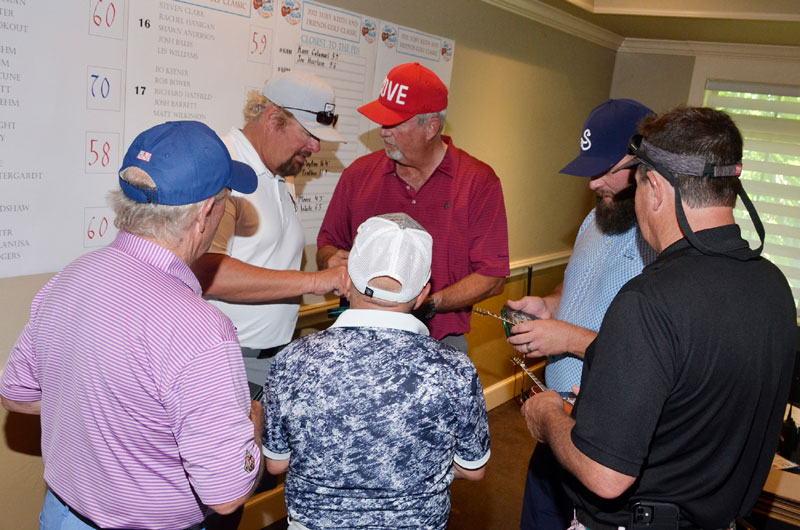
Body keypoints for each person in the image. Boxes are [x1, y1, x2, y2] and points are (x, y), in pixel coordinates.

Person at [522, 106, 796, 530]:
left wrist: (548, 417)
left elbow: (606, 476)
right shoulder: (774, 287)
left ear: (656, 188)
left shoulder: (649, 299)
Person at [0, 121, 264, 530]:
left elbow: (16, 395)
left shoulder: (70, 277)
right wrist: (254, 423)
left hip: (62, 516)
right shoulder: (202, 329)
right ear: (205, 213)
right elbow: (226, 495)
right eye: (225, 203)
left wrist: (103, 414)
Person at [263, 213, 491, 529]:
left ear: (347, 279)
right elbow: (473, 467)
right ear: (423, 293)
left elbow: (276, 464)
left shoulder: (292, 360)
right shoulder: (455, 370)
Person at [505, 99, 656, 529]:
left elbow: (650, 356)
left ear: (646, 164)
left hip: (604, 443)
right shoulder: (595, 219)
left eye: (607, 170)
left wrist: (568, 338)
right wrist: (549, 306)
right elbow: (580, 284)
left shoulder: (660, 242)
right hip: (554, 426)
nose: (593, 184)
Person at [316, 62, 509, 353]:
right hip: (356, 343)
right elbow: (327, 245)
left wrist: (427, 304)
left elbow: (492, 277)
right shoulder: (358, 175)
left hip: (440, 345)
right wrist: (331, 262)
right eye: (382, 122)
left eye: (394, 124)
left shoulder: (477, 182)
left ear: (431, 127)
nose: (383, 133)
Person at [191, 70, 350, 387]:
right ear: (273, 117)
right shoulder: (225, 166)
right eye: (308, 133)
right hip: (227, 362)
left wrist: (332, 265)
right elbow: (207, 272)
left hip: (273, 359)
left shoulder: (280, 173)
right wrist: (316, 281)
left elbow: (270, 256)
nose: (315, 147)